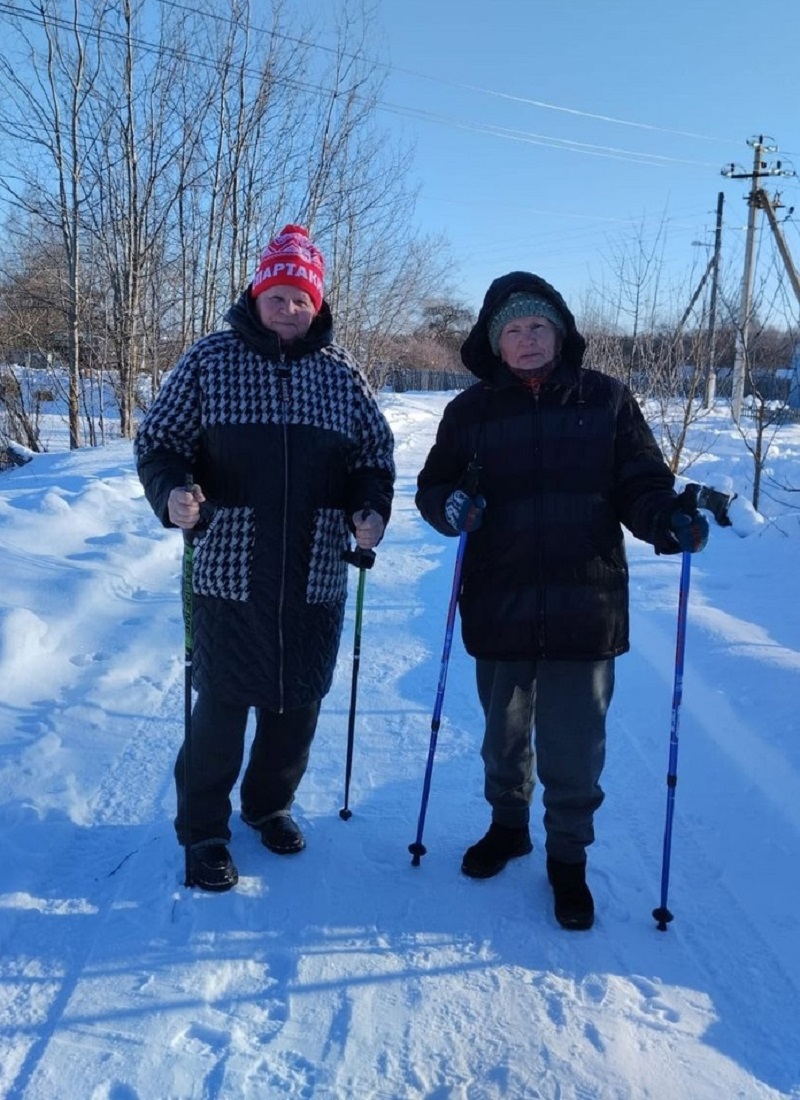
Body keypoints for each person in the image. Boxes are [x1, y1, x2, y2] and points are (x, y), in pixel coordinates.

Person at [415, 271, 708, 930]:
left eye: (537, 326)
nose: (525, 339)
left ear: (560, 331)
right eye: (513, 329)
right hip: (501, 598)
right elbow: (433, 488)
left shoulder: (606, 400)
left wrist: (666, 521)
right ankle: (508, 825)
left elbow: (642, 483)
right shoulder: (470, 413)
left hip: (586, 602)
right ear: (495, 340)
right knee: (504, 735)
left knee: (576, 746)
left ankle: (568, 859)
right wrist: (451, 505)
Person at [136, 224, 395, 892]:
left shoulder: (342, 378)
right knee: (221, 708)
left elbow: (373, 457)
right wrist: (171, 495)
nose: (288, 308)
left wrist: (370, 509)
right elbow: (160, 443)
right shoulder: (209, 361)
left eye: (300, 298)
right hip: (227, 567)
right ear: (256, 295)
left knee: (297, 705)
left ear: (318, 303)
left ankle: (267, 805)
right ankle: (203, 832)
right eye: (276, 295)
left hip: (314, 570)